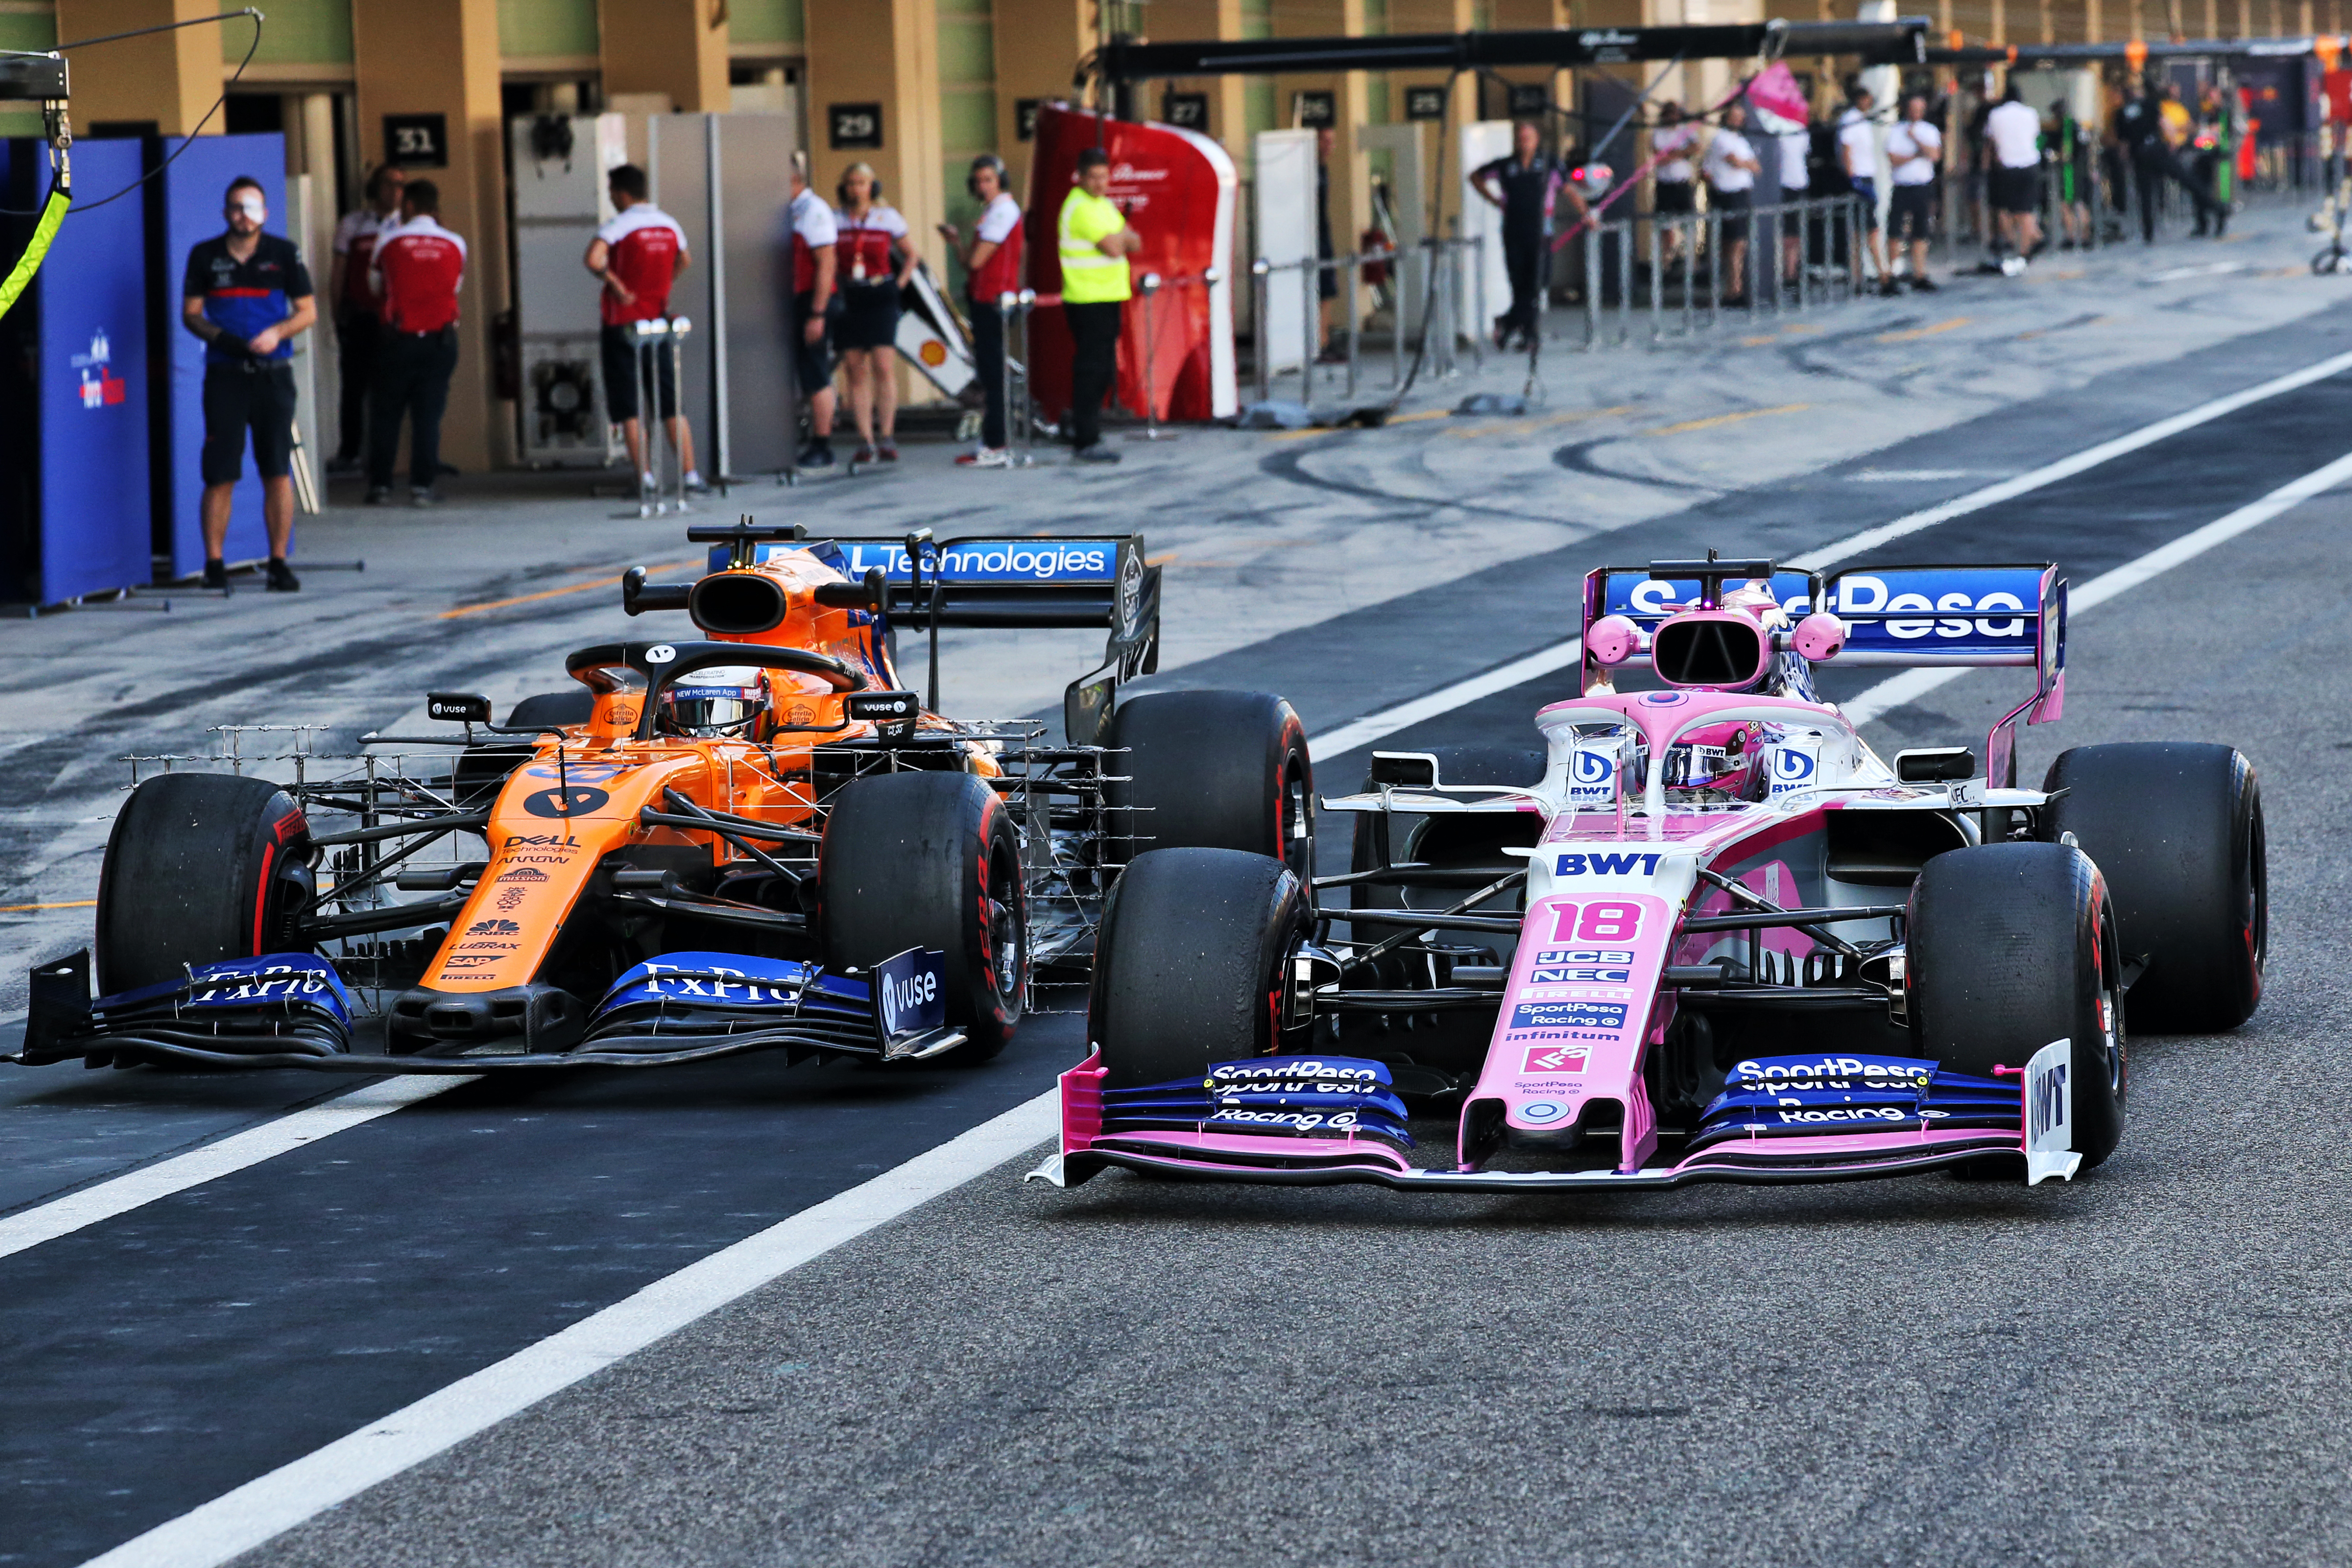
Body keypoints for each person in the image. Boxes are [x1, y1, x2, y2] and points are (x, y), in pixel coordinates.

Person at [181, 176, 315, 592]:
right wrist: (224, 340)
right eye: (237, 208)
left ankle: (278, 562)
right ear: (226, 213)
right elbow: (191, 313)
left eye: (252, 207)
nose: (244, 216)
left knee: (277, 469)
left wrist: (277, 333)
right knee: (220, 472)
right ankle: (215, 564)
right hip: (225, 375)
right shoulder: (206, 255)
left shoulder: (283, 253)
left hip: (273, 374)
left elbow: (307, 311)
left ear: (266, 213)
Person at [584, 163, 702, 493]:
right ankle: (691, 475)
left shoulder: (619, 225)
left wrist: (617, 285)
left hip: (622, 322)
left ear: (620, 193)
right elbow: (686, 259)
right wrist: (662, 286)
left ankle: (645, 478)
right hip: (658, 320)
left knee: (629, 405)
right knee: (669, 401)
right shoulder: (669, 224)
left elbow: (594, 260)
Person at [364, 179, 465, 506]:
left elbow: (376, 286)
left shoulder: (388, 241)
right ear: (435, 207)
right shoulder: (456, 243)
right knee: (428, 415)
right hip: (440, 340)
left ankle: (380, 486)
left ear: (407, 206)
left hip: (396, 338)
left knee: (386, 414)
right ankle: (422, 487)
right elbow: (456, 286)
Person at [1057, 145, 1140, 464]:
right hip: (1086, 297)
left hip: (1108, 296)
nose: (1099, 183)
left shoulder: (1103, 205)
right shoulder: (1081, 208)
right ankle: (1086, 439)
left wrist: (1123, 238)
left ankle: (1088, 430)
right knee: (1091, 372)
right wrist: (1122, 238)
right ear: (1079, 176)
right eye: (1092, 177)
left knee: (1103, 370)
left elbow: (1136, 240)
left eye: (1104, 177)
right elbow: (1115, 248)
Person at [939, 153, 1023, 468]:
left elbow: (977, 262)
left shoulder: (1002, 213)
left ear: (1000, 180)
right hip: (985, 297)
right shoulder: (992, 213)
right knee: (989, 373)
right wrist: (957, 243)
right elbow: (969, 263)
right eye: (978, 181)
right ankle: (993, 439)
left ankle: (996, 441)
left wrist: (969, 252)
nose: (983, 186)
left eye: (988, 180)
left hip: (995, 299)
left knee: (993, 374)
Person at [833, 162, 916, 465]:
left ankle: (888, 435)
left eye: (862, 183)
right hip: (850, 294)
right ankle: (865, 439)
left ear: (872, 186)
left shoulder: (887, 217)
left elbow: (911, 254)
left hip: (881, 292)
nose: (857, 189)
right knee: (855, 368)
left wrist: (901, 284)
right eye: (852, 183)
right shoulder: (835, 219)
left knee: (883, 365)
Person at [326, 164, 401, 474]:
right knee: (354, 388)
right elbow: (339, 270)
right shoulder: (354, 223)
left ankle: (386, 457)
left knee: (391, 388)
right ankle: (350, 453)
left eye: (401, 185)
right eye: (389, 184)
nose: (396, 191)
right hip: (360, 317)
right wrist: (337, 314)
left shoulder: (407, 225)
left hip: (394, 319)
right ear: (375, 187)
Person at [1470, 120, 1568, 347]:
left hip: (1541, 230)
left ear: (1537, 140)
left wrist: (1586, 213)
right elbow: (1476, 177)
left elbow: (1568, 189)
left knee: (1537, 283)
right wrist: (1494, 200)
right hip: (1514, 229)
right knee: (1519, 282)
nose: (1524, 143)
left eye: (1528, 138)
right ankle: (1528, 333)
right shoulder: (1506, 165)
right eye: (1520, 138)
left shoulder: (1548, 163)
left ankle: (1508, 322)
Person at [783, 152, 841, 468]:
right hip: (799, 298)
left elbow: (827, 262)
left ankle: (823, 444)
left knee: (816, 373)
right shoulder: (792, 210)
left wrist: (817, 313)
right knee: (807, 372)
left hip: (813, 299)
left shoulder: (812, 210)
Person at [1701, 102, 1762, 305]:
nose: (1738, 121)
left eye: (1741, 117)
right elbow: (1734, 161)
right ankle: (1733, 289)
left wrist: (1745, 165)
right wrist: (1745, 165)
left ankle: (1735, 287)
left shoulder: (1741, 140)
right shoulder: (1721, 139)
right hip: (1728, 195)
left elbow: (1756, 166)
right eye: (1734, 117)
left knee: (1739, 244)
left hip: (1741, 194)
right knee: (1734, 244)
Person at [1885, 92, 1942, 291]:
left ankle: (1920, 273)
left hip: (1922, 186)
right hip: (1902, 185)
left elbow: (1935, 155)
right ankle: (1891, 273)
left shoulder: (1929, 131)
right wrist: (1916, 156)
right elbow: (1893, 159)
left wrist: (1916, 140)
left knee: (1921, 231)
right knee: (1895, 231)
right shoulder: (1895, 131)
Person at [1985, 81, 2043, 273]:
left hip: (2007, 166)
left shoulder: (1996, 115)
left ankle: (2016, 241)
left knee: (2009, 209)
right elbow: (2035, 135)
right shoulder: (2030, 113)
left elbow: (1992, 141)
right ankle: (2027, 246)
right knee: (2026, 209)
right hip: (2029, 164)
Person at [1838, 87, 1889, 293]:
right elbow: (1847, 150)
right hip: (1859, 179)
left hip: (1868, 177)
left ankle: (1866, 276)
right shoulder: (1851, 120)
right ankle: (1878, 275)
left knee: (1866, 230)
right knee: (1865, 231)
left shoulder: (1864, 120)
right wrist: (1854, 179)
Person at [1651, 103, 1700, 275]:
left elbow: (1695, 148)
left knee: (1689, 223)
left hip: (1683, 183)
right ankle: (1667, 261)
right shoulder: (1658, 133)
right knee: (1665, 224)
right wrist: (1681, 153)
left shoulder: (1685, 130)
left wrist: (1674, 154)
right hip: (1665, 184)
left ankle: (1692, 262)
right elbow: (1659, 157)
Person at [1776, 108, 1812, 287]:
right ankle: (1785, 270)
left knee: (1795, 231)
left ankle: (1792, 269)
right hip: (1783, 183)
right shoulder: (1778, 130)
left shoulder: (1802, 130)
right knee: (1786, 231)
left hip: (1799, 182)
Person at [2053, 96, 2094, 248]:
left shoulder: (2067, 127)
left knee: (2068, 203)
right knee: (2080, 202)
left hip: (2070, 169)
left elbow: (2066, 152)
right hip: (2082, 167)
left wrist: (2057, 158)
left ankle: (2073, 236)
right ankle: (2086, 235)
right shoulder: (2079, 126)